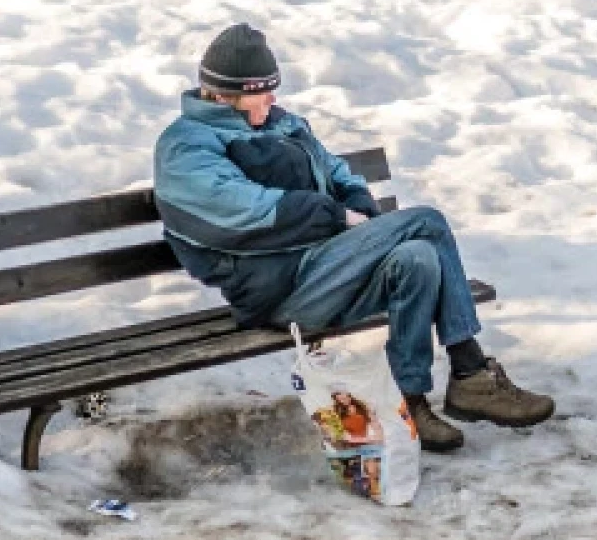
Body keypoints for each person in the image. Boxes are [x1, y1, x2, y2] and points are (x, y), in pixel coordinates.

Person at [152, 23, 557, 452]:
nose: (272, 99)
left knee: (417, 257)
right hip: (279, 292)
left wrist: (357, 204)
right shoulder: (186, 148)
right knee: (427, 222)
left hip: (328, 272)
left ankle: (412, 403)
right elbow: (247, 211)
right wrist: (337, 217)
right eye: (261, 92)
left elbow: (336, 172)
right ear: (222, 94)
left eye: (274, 89)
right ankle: (470, 371)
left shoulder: (284, 124)